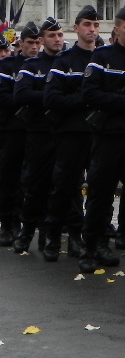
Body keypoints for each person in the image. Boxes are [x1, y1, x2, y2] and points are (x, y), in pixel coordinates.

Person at [79, 2, 125, 274]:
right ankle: (92, 246)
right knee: (100, 195)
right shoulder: (102, 57)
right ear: (116, 30)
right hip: (107, 137)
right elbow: (90, 94)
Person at [42, 5, 102, 262]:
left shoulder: (103, 59)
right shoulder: (64, 61)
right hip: (71, 132)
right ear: (76, 28)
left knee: (99, 188)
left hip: (98, 133)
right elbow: (51, 97)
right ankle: (54, 237)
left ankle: (86, 239)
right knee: (65, 186)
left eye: (95, 25)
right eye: (87, 25)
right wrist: (85, 100)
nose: (92, 29)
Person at [12, 17, 65, 255]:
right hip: (38, 133)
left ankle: (50, 232)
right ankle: (27, 231)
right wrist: (53, 96)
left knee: (62, 186)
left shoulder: (68, 63)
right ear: (42, 40)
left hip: (64, 133)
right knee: (34, 185)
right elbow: (21, 94)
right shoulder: (31, 67)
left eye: (60, 35)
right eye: (52, 36)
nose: (57, 40)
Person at [0, 23, 40, 247]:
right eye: (30, 43)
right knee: (10, 177)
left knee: (34, 179)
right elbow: (3, 97)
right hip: (13, 129)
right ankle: (8, 222)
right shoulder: (8, 66)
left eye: (37, 42)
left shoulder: (44, 65)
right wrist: (27, 98)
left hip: (37, 130)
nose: (34, 47)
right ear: (21, 43)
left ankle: (30, 221)